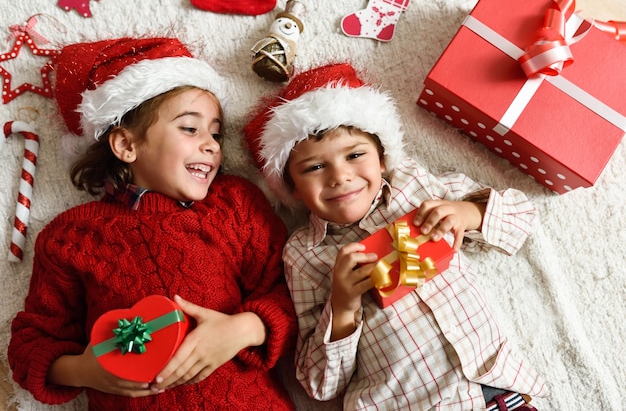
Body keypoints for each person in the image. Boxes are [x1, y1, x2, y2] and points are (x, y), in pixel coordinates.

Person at [8, 37, 297, 411]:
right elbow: (31, 344)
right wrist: (84, 370)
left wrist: (243, 328)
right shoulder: (70, 238)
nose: (211, 145)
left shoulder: (234, 204)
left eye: (216, 132)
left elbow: (295, 293)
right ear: (127, 145)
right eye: (190, 129)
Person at [243, 63, 548, 410]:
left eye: (355, 155)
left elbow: (522, 216)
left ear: (384, 159)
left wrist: (469, 213)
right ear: (293, 190)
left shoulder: (414, 184)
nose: (340, 177)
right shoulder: (304, 253)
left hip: (495, 389)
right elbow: (319, 384)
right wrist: (342, 306)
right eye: (314, 167)